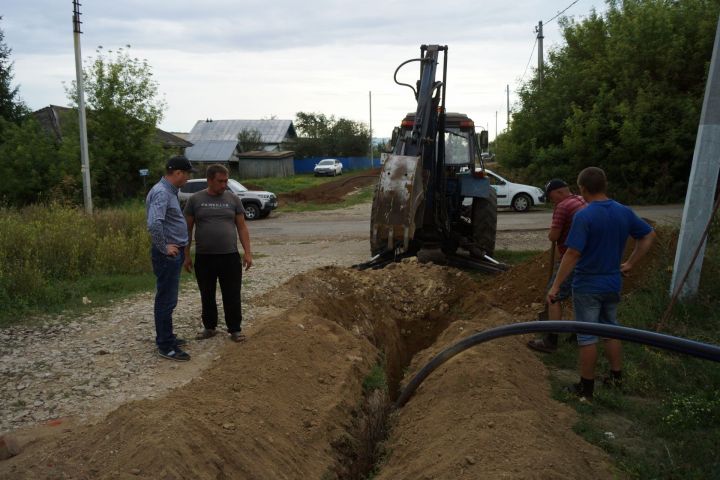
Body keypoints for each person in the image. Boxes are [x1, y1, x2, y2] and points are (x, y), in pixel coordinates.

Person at [547, 167, 655, 400]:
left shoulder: (584, 216)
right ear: (604, 185)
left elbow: (573, 253)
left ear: (582, 189)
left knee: (587, 336)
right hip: (613, 282)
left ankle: (586, 388)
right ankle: (616, 378)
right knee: (610, 329)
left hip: (588, 285)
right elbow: (647, 235)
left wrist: (556, 286)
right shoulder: (623, 212)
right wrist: (630, 263)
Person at [183, 164, 253, 343]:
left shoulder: (233, 199)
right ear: (209, 180)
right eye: (220, 181)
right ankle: (209, 327)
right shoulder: (195, 200)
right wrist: (186, 255)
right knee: (207, 294)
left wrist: (248, 253)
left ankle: (235, 329)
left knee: (232, 293)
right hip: (205, 257)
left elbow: (242, 227)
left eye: (226, 181)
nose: (224, 185)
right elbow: (187, 229)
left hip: (229, 256)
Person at [146, 154, 197, 361]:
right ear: (177, 173)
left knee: (168, 298)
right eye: (186, 175)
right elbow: (154, 224)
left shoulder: (169, 191)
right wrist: (165, 247)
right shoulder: (162, 193)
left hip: (172, 253)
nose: (187, 179)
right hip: (167, 255)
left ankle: (167, 336)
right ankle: (166, 345)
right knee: (166, 300)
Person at [527, 179, 586, 353]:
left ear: (559, 192)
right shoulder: (581, 200)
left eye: (551, 196)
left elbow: (554, 236)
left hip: (572, 257)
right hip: (588, 256)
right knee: (579, 296)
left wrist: (553, 233)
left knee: (553, 296)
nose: (551, 200)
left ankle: (551, 341)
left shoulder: (562, 206)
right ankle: (580, 334)